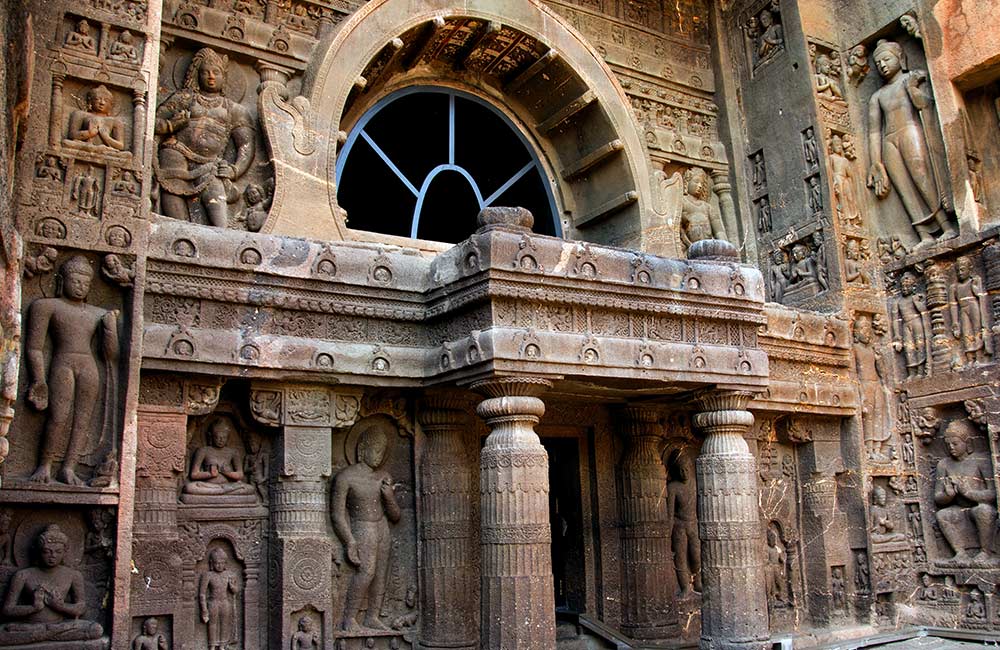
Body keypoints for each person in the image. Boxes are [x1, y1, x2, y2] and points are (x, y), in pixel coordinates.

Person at [26, 256, 119, 485]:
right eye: (75, 281)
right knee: (58, 416)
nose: (80, 286)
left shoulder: (98, 313)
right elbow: (34, 347)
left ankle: (69, 468)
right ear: (62, 280)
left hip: (89, 365)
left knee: (82, 421)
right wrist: (39, 380)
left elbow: (110, 355)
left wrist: (110, 329)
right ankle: (44, 465)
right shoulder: (46, 306)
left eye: (85, 283)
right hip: (63, 362)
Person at [867, 39, 956, 248]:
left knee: (921, 175)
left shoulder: (911, 78)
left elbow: (925, 106)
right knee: (903, 186)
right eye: (878, 62)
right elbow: (873, 132)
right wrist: (876, 162)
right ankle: (924, 234)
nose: (882, 65)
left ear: (900, 58)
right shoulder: (877, 97)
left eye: (886, 59)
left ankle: (947, 226)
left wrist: (914, 88)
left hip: (910, 131)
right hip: (889, 140)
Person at [154, 47, 255, 228]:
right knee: (173, 185)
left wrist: (235, 170)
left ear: (224, 77)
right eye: (205, 72)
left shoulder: (234, 110)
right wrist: (171, 125)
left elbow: (246, 144)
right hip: (177, 150)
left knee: (215, 198)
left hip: (210, 163)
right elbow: (153, 122)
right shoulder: (184, 98)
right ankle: (179, 230)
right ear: (196, 75)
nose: (210, 77)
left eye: (216, 72)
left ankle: (218, 236)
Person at [331, 423, 401, 631]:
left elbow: (396, 516)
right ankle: (349, 618)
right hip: (362, 527)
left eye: (384, 451)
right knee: (366, 572)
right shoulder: (346, 478)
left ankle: (373, 616)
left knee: (381, 574)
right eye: (377, 449)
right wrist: (349, 541)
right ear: (362, 448)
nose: (380, 455)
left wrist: (388, 497)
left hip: (382, 528)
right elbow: (337, 515)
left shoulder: (383, 477)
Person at [0, 525, 104, 645]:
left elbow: (81, 608)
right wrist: (34, 607)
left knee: (96, 629)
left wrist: (60, 606)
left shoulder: (74, 575)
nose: (52, 556)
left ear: (65, 552)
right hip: (30, 625)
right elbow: (7, 610)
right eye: (47, 551)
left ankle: (41, 635)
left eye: (58, 552)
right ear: (38, 551)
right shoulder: (23, 575)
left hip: (60, 626)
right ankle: (44, 633)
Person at [934, 419, 997, 562]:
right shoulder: (943, 464)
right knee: (942, 514)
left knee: (983, 511)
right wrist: (948, 495)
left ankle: (985, 551)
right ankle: (960, 553)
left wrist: (968, 492)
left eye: (955, 443)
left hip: (979, 506)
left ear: (967, 442)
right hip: (959, 508)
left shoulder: (981, 460)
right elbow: (937, 498)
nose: (951, 447)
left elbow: (994, 494)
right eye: (948, 444)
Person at [182, 416, 257, 499]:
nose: (221, 440)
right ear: (211, 436)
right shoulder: (203, 451)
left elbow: (240, 475)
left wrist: (227, 473)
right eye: (218, 437)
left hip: (229, 485)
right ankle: (221, 495)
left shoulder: (233, 452)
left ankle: (218, 494)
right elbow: (194, 474)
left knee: (249, 489)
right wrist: (210, 474)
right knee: (189, 488)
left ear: (228, 438)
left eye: (224, 437)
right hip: (208, 486)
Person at [667, 451, 701, 598]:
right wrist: (668, 533)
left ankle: (698, 582)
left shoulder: (696, 483)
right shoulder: (673, 487)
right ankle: (685, 587)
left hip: (693, 523)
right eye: (680, 470)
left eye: (686, 468)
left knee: (696, 556)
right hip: (679, 525)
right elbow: (669, 513)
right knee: (680, 557)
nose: (684, 472)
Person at [949, 256, 992, 366]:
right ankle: (970, 359)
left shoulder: (974, 282)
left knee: (977, 330)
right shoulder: (954, 287)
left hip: (973, 306)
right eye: (957, 270)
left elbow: (981, 296)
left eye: (962, 269)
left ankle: (979, 358)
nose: (960, 272)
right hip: (963, 309)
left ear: (970, 269)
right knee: (966, 333)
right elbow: (953, 306)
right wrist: (954, 322)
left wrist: (976, 289)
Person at [198, 548, 239, 650]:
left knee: (225, 624)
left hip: (225, 602)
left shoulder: (229, 574)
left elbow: (235, 591)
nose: (219, 565)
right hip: (213, 602)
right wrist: (204, 610)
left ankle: (222, 646)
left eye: (222, 563)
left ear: (225, 563)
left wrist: (232, 586)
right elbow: (202, 594)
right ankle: (212, 645)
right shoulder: (208, 575)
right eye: (217, 563)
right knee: (212, 624)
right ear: (212, 563)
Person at [890, 271, 928, 379]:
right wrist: (897, 335)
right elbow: (895, 320)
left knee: (919, 345)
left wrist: (918, 302)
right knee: (908, 348)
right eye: (903, 287)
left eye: (907, 286)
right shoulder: (897, 302)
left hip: (916, 323)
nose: (905, 289)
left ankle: (920, 372)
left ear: (913, 286)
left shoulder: (915, 298)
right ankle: (911, 373)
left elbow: (923, 311)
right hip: (906, 324)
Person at [68, 85, 127, 151]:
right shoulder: (80, 114)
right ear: (90, 101)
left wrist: (106, 137)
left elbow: (120, 146)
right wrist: (90, 133)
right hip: (84, 145)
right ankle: (95, 149)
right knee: (66, 143)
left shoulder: (115, 121)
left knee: (127, 155)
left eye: (106, 100)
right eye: (97, 99)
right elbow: (72, 135)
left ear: (111, 105)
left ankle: (97, 149)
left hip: (106, 149)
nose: (102, 103)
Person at [679, 167, 726, 250]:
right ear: (686, 182)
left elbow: (719, 232)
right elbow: (678, 227)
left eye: (701, 183)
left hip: (707, 246)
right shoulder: (681, 202)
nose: (700, 186)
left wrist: (725, 245)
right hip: (688, 246)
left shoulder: (707, 207)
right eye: (696, 182)